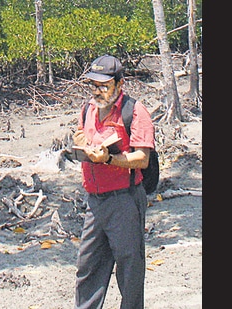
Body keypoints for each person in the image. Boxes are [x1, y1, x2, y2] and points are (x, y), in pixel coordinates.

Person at [73, 54, 155, 309]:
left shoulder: (135, 111)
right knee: (87, 269)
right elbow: (80, 135)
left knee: (130, 271)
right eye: (94, 85)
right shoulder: (87, 110)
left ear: (119, 84)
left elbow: (142, 158)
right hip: (94, 203)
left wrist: (109, 158)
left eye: (104, 85)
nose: (98, 91)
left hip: (125, 201)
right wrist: (80, 143)